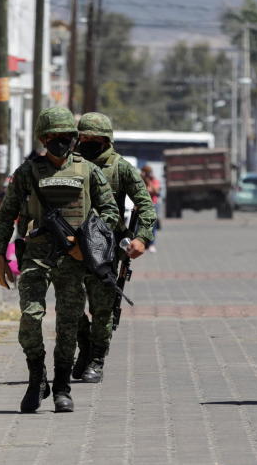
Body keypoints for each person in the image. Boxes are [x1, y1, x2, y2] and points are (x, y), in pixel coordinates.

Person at [0, 107, 118, 414]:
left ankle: (62, 386)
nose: (60, 141)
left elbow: (110, 211)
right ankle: (37, 378)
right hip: (37, 256)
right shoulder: (28, 172)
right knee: (30, 318)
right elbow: (7, 214)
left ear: (74, 138)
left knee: (69, 325)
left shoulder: (88, 170)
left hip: (74, 261)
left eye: (66, 136)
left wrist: (85, 243)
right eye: (54, 136)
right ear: (43, 138)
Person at [73, 112, 157, 383]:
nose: (85, 142)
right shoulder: (70, 164)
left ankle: (96, 359)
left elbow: (145, 205)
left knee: (102, 309)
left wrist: (142, 238)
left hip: (106, 248)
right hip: (72, 245)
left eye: (92, 139)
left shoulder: (120, 168)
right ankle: (84, 346)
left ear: (105, 140)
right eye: (82, 137)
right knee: (70, 305)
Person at [141, 164, 162, 251]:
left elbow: (156, 191)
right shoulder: (140, 180)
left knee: (152, 226)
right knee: (141, 225)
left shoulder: (154, 180)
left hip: (153, 204)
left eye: (149, 173)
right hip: (142, 205)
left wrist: (148, 181)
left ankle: (152, 244)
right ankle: (143, 243)